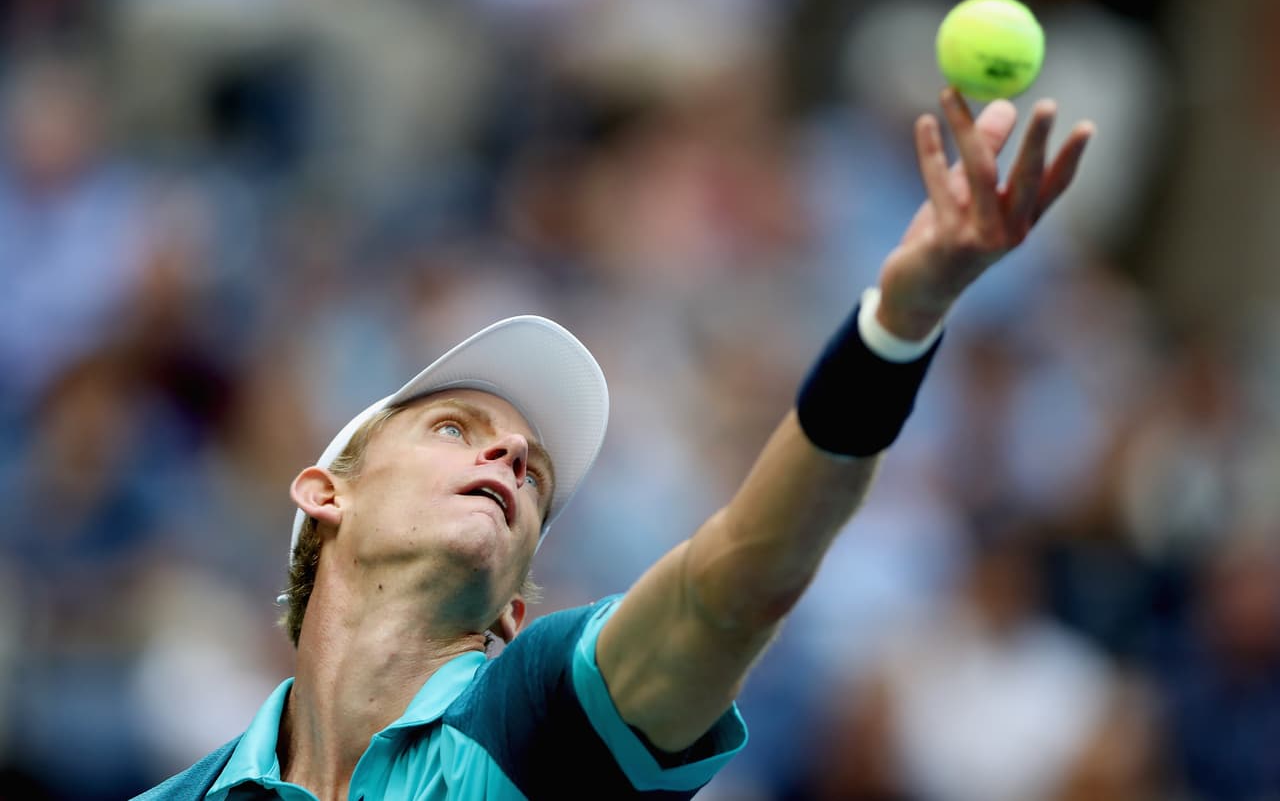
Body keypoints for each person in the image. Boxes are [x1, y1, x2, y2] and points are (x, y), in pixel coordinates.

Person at [136, 89, 1093, 801]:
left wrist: (898, 323)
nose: (510, 457)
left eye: (534, 473)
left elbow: (737, 583)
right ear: (324, 493)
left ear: (513, 613)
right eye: (453, 427)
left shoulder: (537, 708)